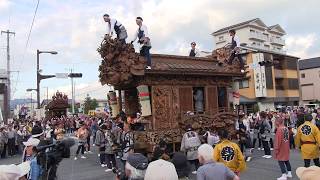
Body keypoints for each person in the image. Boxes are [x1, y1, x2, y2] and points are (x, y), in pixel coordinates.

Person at [274, 116, 292, 180]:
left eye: (275, 121)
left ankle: (284, 175)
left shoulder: (279, 129)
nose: (275, 123)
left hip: (281, 147)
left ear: (278, 122)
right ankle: (289, 173)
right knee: (286, 160)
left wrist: (276, 149)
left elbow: (277, 141)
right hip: (286, 146)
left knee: (281, 161)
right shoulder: (285, 128)